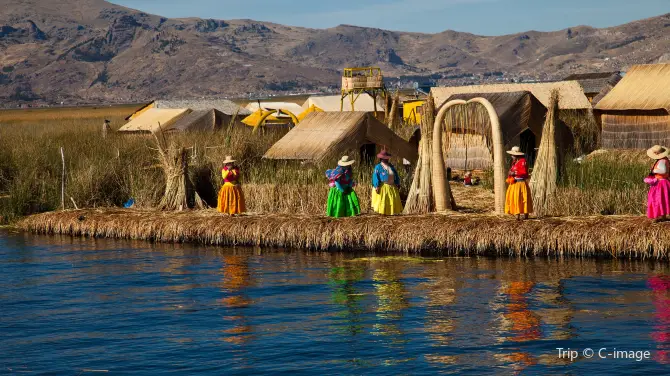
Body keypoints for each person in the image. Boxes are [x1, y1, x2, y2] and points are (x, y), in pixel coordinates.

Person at [504, 146, 533, 220]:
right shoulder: (515, 162)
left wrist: (514, 173)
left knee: (522, 198)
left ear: (517, 155)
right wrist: (510, 173)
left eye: (513, 155)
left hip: (520, 183)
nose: (511, 156)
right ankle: (517, 215)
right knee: (514, 198)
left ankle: (525, 215)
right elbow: (512, 171)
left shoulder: (523, 161)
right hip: (514, 183)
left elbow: (524, 172)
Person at [371, 150, 403, 215]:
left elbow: (395, 175)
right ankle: (383, 213)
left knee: (391, 199)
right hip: (383, 186)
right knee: (383, 200)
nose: (386, 159)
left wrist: (397, 183)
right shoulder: (378, 167)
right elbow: (375, 176)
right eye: (384, 158)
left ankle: (390, 212)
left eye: (387, 158)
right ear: (381, 159)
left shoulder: (391, 166)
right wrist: (376, 186)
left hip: (392, 186)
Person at [645, 145, 670, 222]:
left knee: (657, 199)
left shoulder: (662, 161)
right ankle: (663, 217)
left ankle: (659, 217)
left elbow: (663, 171)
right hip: (664, 182)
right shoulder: (665, 160)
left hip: (660, 183)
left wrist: (653, 171)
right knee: (663, 199)